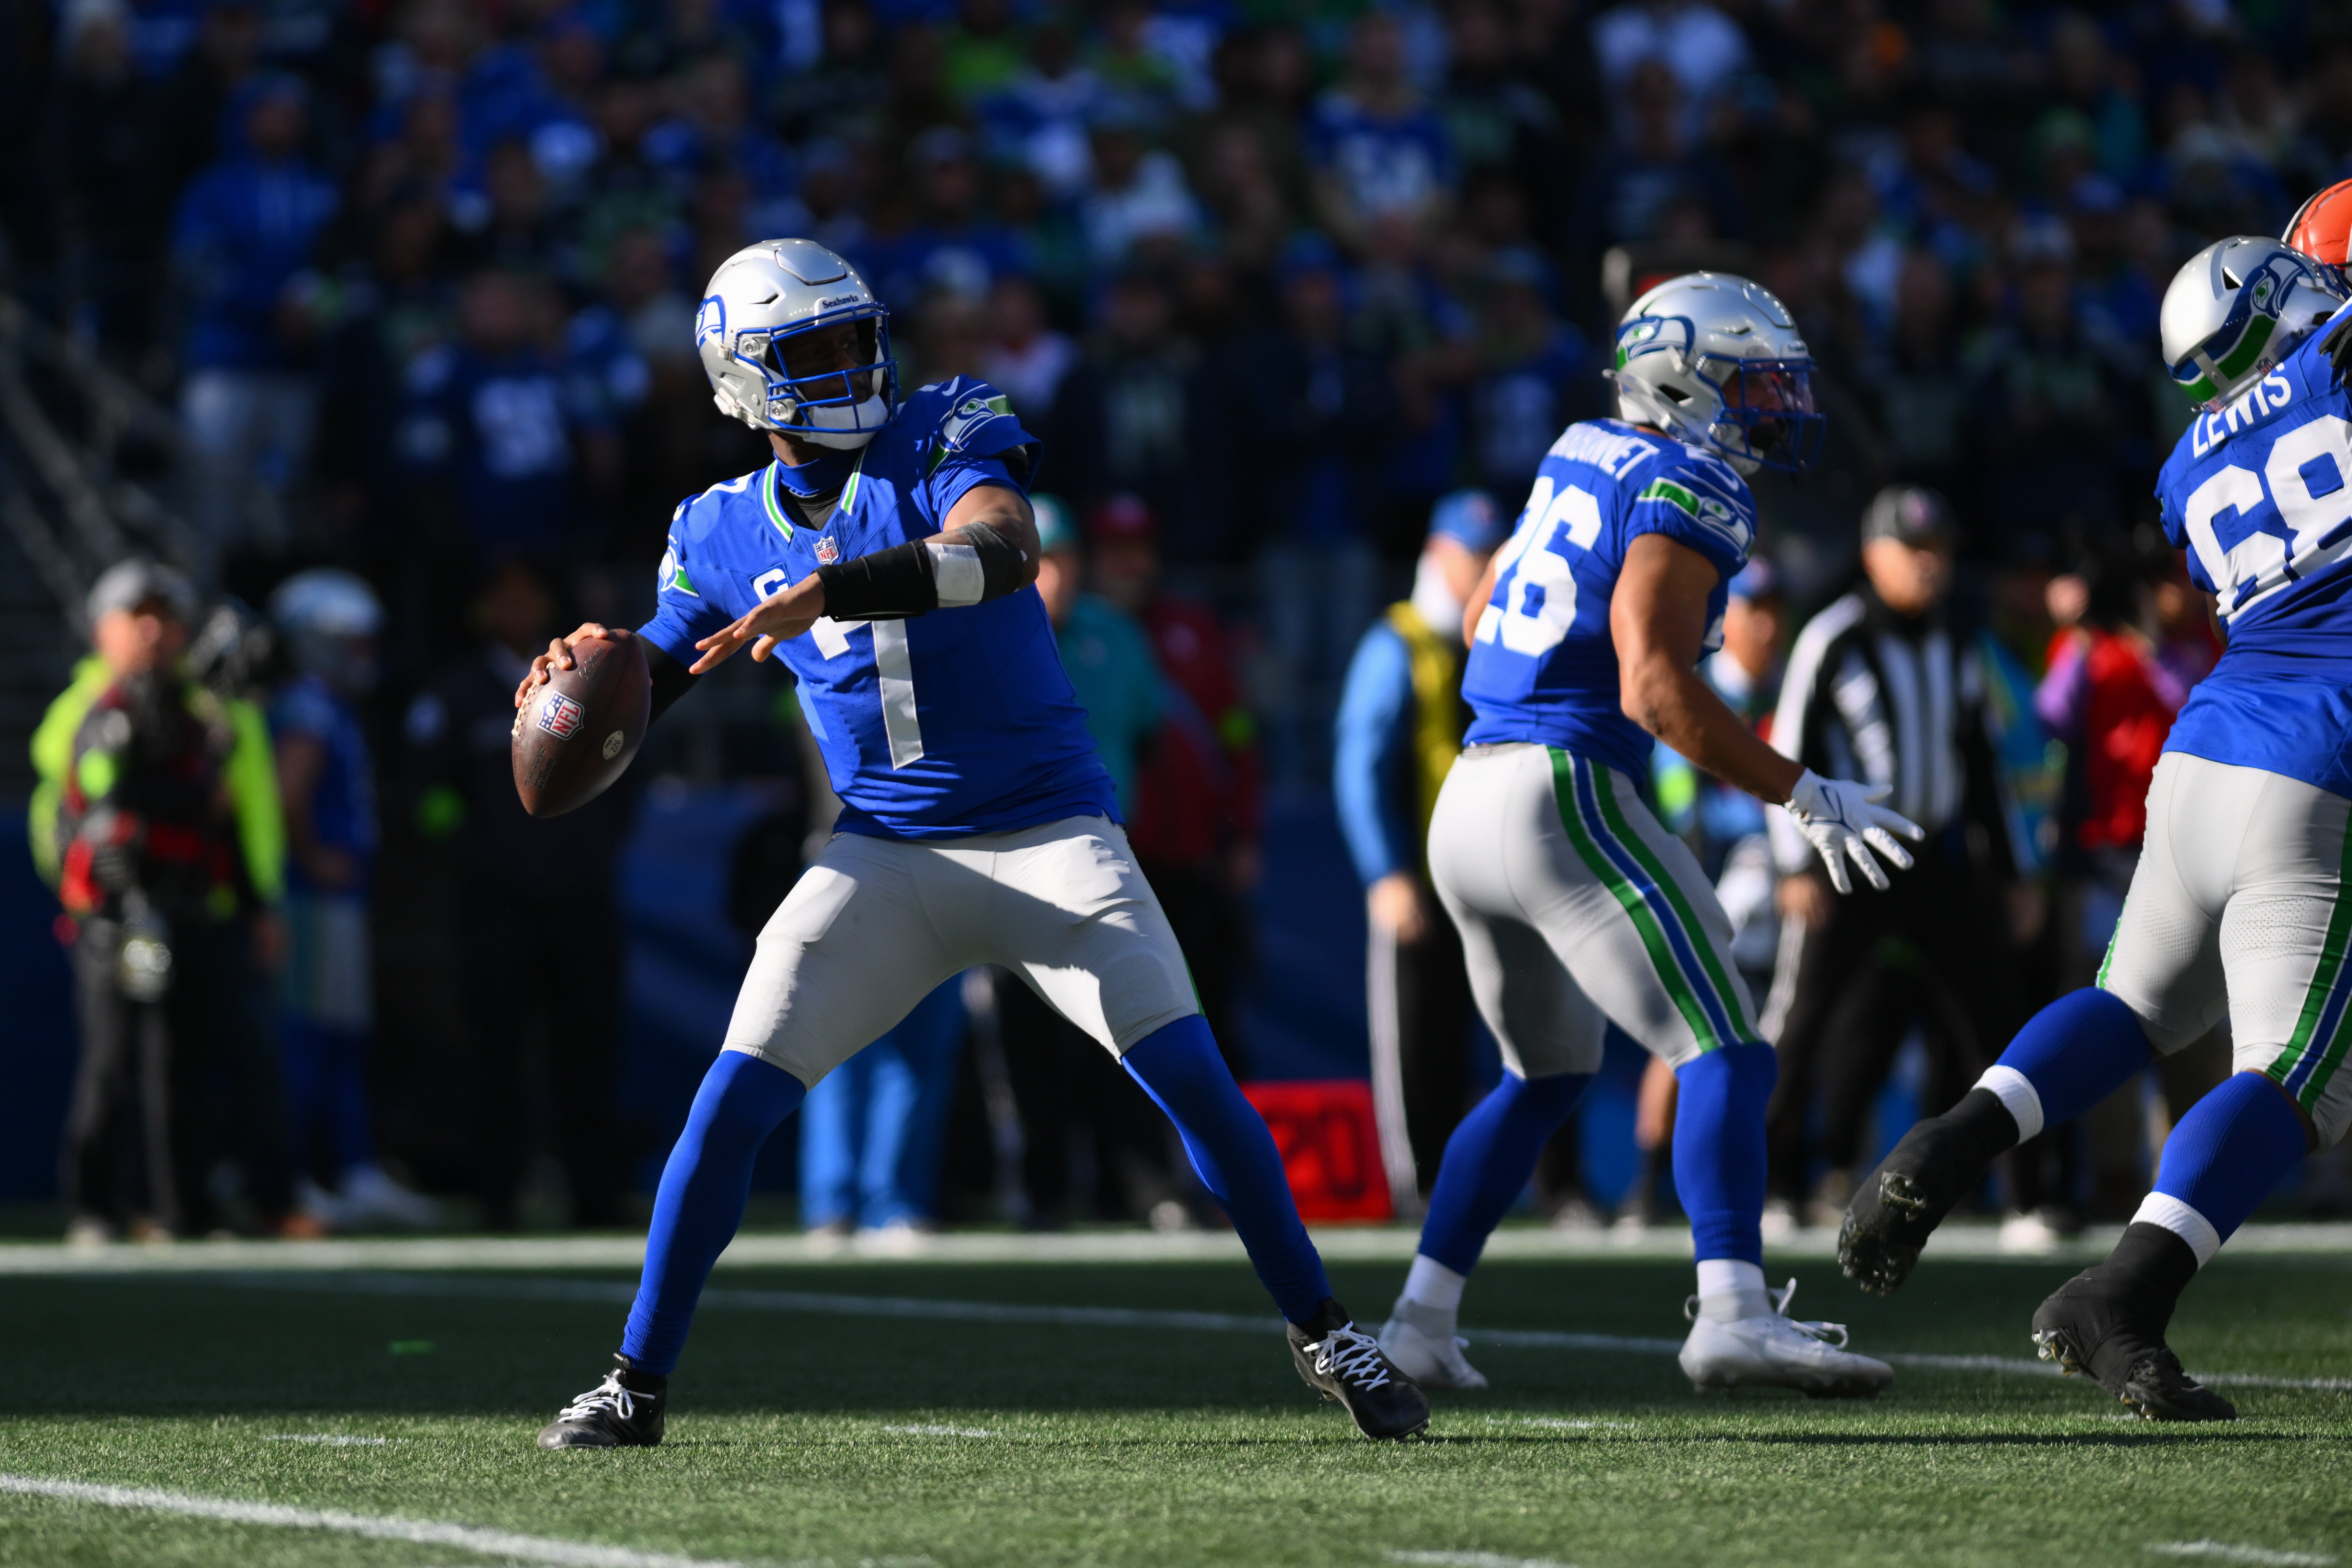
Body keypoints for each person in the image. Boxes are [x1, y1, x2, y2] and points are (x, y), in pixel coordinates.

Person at [526, 238, 1428, 1446]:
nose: (853, 365)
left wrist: (838, 590)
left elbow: (1005, 549)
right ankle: (634, 1380)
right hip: (884, 855)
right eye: (814, 351)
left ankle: (1324, 1328)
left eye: (857, 338)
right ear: (745, 381)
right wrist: (586, 675)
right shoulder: (718, 527)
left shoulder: (943, 424)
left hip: (1049, 835)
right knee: (728, 1103)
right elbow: (661, 667)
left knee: (1197, 1085)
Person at [1837, 235, 2352, 1422]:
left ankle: (1948, 1141)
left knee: (2133, 1005)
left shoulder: (2186, 458)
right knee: (2294, 1080)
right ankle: (2122, 1292)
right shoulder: (2331, 365)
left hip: (2202, 751)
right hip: (2318, 762)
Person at [1373, 272, 1912, 1398]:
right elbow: (1654, 691)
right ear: (1681, 385)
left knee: (1541, 1076)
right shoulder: (1691, 484)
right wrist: (1802, 791)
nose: (1776, 405)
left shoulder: (1578, 449)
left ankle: (1418, 1321)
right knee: (1726, 1048)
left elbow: (1481, 615)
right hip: (1560, 790)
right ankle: (1732, 1313)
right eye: (1754, 384)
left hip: (1470, 796)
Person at [1760, 485, 2033, 1227]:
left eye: (1938, 550)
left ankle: (2026, 1195)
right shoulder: (1834, 637)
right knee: (1802, 1018)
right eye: (1913, 550)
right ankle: (1776, 1184)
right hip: (1851, 860)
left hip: (1939, 858)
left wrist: (2012, 876)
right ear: (1873, 555)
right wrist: (1795, 865)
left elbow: (1981, 764)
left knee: (2000, 1024)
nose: (1928, 565)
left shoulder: (1957, 638)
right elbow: (1786, 752)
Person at [30, 558, 293, 1242]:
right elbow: (77, 807)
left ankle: (182, 1209)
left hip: (192, 906)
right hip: (119, 916)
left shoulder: (206, 713)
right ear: (104, 630)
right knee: (112, 1064)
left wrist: (255, 904)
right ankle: (94, 1209)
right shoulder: (93, 711)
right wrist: (92, 880)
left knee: (183, 1066)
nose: (153, 632)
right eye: (137, 618)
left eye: (165, 617)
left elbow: (228, 814)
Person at [403, 558, 636, 1230]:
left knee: (588, 1048)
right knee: (496, 1050)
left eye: (526, 596)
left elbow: (628, 775)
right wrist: (484, 846)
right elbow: (426, 795)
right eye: (501, 598)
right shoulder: (457, 694)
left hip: (582, 898)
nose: (516, 610)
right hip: (498, 901)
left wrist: (590, 847)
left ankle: (595, 1193)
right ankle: (498, 1196)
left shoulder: (587, 683)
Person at [998, 493, 1185, 1228]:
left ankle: (1136, 1183)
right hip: (1014, 866)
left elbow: (1148, 734)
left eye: (1061, 560)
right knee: (1030, 1039)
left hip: (1108, 859)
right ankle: (1043, 1190)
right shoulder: (978, 638)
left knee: (1129, 1023)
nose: (1050, 576)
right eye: (1036, 561)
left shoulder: (1118, 636)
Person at [1332, 489, 1505, 1216]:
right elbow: (1359, 767)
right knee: (1415, 1036)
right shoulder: (1395, 644)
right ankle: (1419, 1184)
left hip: (1488, 880)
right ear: (1439, 555)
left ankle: (1481, 1181)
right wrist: (1386, 873)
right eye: (1474, 554)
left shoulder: (1500, 640)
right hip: (1421, 879)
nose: (1486, 567)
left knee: (1485, 1035)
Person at [267, 569, 435, 1231]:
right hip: (311, 896)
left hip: (334, 897)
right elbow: (287, 793)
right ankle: (299, 1175)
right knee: (312, 1036)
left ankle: (350, 1167)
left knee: (340, 1035)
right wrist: (312, 855)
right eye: (351, 641)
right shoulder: (307, 707)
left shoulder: (326, 702)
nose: (363, 654)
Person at [1626, 556, 1787, 1228]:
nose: (1768, 627)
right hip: (1708, 883)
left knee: (1774, 1034)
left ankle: (1775, 1175)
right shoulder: (1698, 692)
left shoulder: (1789, 692)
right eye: (1755, 610)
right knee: (1685, 1034)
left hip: (1777, 895)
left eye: (1775, 611)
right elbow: (1680, 807)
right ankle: (1646, 1183)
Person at [1088, 492, 1260, 1068]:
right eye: (1116, 550)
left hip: (1195, 864)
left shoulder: (1195, 628)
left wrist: (1245, 832)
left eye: (1140, 549)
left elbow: (1236, 731)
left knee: (1210, 1017)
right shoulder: (1069, 636)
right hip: (1114, 867)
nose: (1130, 564)